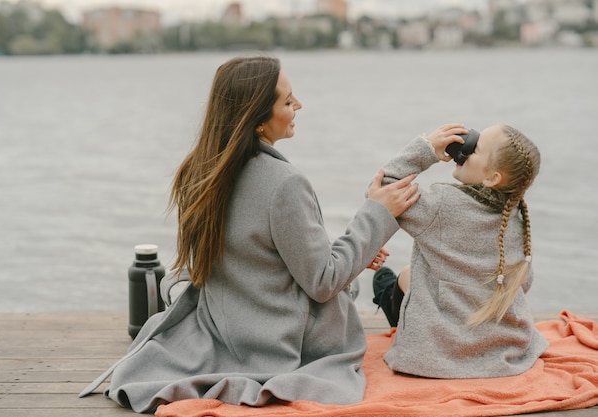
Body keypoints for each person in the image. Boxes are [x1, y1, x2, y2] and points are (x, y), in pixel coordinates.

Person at [79, 56, 419, 413]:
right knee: (346, 290)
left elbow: (254, 257)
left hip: (221, 331)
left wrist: (351, 254)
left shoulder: (199, 171)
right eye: (288, 101)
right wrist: (377, 213)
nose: (298, 105)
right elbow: (322, 281)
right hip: (282, 341)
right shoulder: (286, 184)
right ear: (258, 119)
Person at [371, 123, 549, 379]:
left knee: (393, 278)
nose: (465, 146)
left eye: (475, 148)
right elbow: (524, 283)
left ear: (491, 178)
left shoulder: (441, 206)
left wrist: (427, 149)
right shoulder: (518, 221)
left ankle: (387, 294)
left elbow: (379, 190)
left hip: (438, 353)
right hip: (503, 352)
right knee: (416, 275)